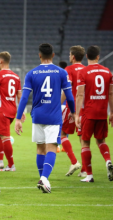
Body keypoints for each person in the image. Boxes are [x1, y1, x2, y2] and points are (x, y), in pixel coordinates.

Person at [15, 43, 75, 193]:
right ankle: (44, 179)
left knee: (40, 149)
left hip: (37, 115)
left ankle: (42, 179)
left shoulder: (31, 73)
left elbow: (23, 98)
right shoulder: (61, 72)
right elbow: (70, 97)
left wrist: (17, 118)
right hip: (53, 116)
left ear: (39, 55)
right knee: (52, 149)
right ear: (53, 55)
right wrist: (74, 112)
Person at [75, 45, 113, 182]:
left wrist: (77, 114)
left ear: (86, 57)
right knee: (101, 140)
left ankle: (89, 175)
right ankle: (108, 161)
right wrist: (112, 112)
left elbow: (80, 95)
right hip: (102, 113)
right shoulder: (107, 72)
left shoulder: (83, 72)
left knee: (85, 142)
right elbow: (111, 93)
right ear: (98, 56)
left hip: (88, 113)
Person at [0, 51, 24, 171]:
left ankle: (11, 165)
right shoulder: (16, 76)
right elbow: (19, 95)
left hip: (2, 110)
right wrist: (20, 111)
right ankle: (0, 161)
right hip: (12, 110)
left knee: (5, 136)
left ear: (1, 61)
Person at [60, 46, 86, 176]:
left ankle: (74, 162)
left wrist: (59, 103)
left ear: (73, 56)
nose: (69, 57)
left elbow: (67, 88)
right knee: (83, 139)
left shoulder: (68, 69)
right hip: (85, 108)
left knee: (62, 134)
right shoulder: (87, 70)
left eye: (70, 55)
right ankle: (85, 170)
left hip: (72, 107)